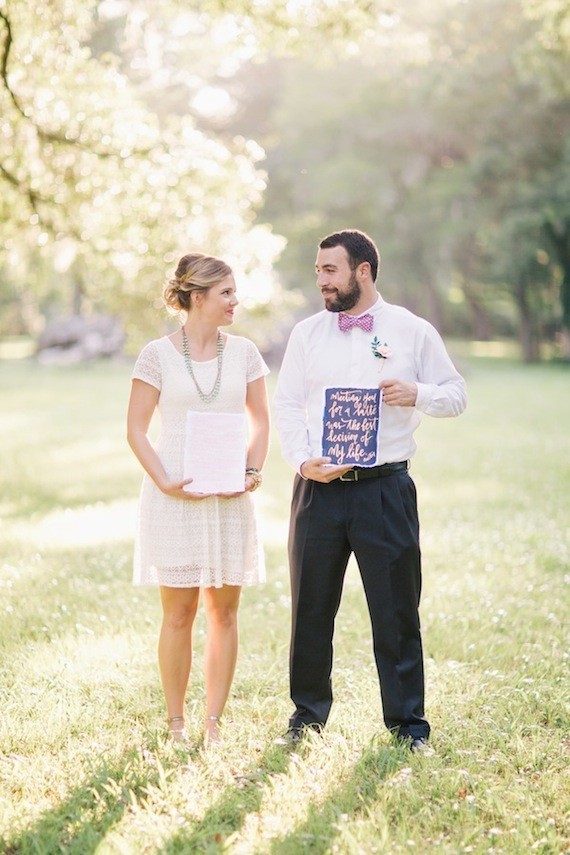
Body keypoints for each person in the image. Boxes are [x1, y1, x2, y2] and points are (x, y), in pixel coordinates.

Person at [273, 229, 467, 752]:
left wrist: (417, 393)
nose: (321, 281)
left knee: (396, 611)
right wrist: (302, 461)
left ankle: (408, 727)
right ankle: (306, 718)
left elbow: (456, 394)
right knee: (310, 609)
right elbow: (287, 404)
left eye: (330, 270)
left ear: (363, 270)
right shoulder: (307, 334)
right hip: (317, 490)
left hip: (384, 490)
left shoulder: (411, 330)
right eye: (318, 271)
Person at [127, 252, 270, 744]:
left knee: (224, 613)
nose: (235, 301)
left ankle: (213, 723)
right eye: (226, 292)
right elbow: (136, 430)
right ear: (197, 297)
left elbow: (261, 423)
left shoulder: (245, 353)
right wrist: (165, 481)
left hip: (229, 498)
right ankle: (176, 724)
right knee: (178, 614)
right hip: (173, 499)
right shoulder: (156, 355)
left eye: (234, 292)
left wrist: (251, 472)